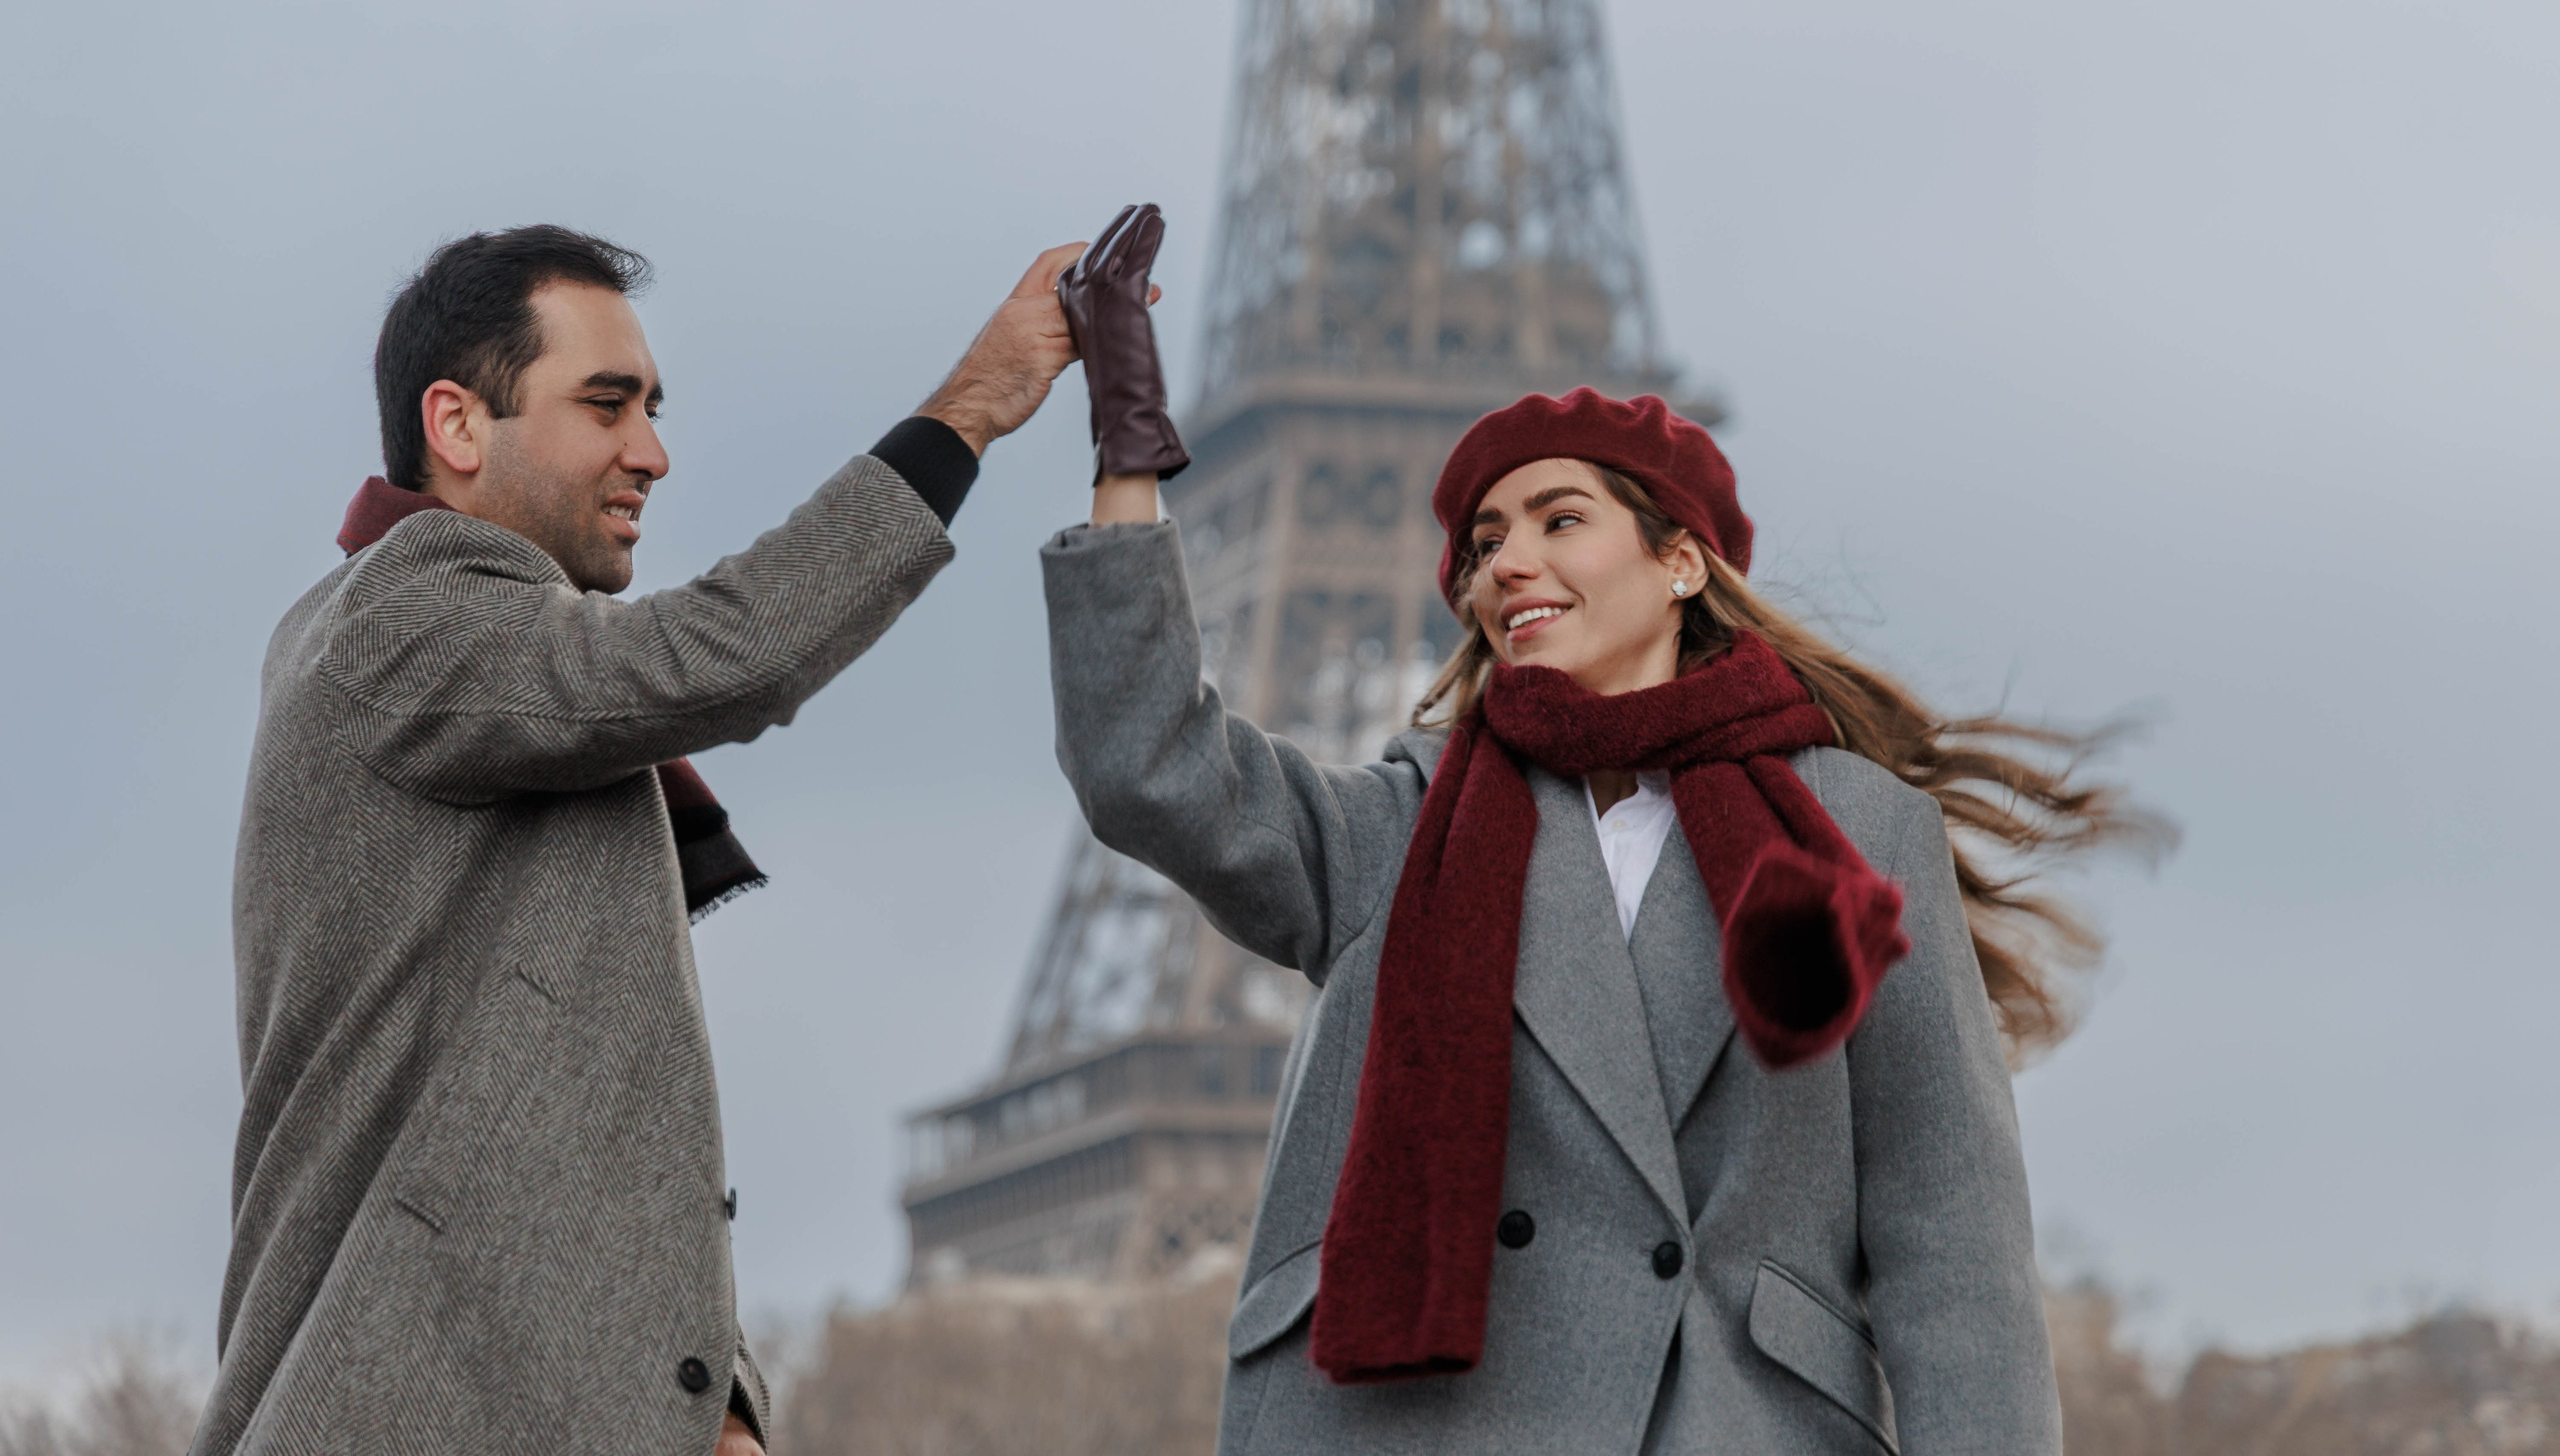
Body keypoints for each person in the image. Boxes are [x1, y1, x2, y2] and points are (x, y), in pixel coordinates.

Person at [1045, 362, 2150, 1449]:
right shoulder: (1401, 831)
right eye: (1482, 546)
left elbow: (1949, 1243)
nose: (1505, 565)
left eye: (1556, 520)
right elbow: (1149, 769)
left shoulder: (1856, 834)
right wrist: (1128, 453)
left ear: (1678, 559)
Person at [196, 222, 1086, 1456]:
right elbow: (725, 652)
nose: (653, 452)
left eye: (653, 406)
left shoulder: (468, 672)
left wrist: (715, 1403)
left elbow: (568, 1121)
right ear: (456, 427)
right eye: (606, 404)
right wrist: (974, 407)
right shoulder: (398, 623)